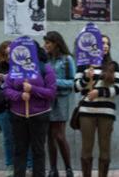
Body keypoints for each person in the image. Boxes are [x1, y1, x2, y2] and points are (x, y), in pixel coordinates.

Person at [4, 40, 57, 177]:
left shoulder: (45, 68)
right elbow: (7, 90)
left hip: (39, 115)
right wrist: (20, 95)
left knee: (38, 151)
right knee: (19, 150)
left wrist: (32, 89)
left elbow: (51, 93)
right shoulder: (14, 69)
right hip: (18, 115)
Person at [73, 34, 119, 177]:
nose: (105, 46)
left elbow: (118, 89)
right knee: (86, 151)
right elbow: (76, 88)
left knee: (105, 151)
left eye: (108, 44)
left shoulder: (113, 65)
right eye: (102, 43)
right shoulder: (83, 65)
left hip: (106, 112)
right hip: (86, 111)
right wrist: (86, 78)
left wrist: (99, 92)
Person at [0, 41, 33, 177]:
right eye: (7, 53)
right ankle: (10, 165)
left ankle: (29, 164)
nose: (10, 56)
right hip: (4, 106)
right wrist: (0, 82)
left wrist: (9, 79)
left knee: (25, 137)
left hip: (20, 106)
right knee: (8, 138)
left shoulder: (23, 66)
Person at [43, 31, 76, 177]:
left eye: (48, 43)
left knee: (59, 135)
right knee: (50, 136)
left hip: (61, 100)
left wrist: (54, 83)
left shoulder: (67, 59)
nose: (45, 46)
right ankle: (53, 169)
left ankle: (68, 168)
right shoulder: (45, 59)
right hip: (47, 100)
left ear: (56, 43)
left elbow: (73, 82)